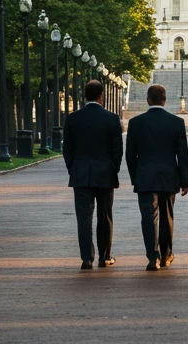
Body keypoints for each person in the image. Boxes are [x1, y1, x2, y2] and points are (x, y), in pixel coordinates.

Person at [125, 84, 188, 271]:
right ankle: (166, 255)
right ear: (165, 100)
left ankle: (152, 257)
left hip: (144, 176)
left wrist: (135, 176)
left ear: (148, 100)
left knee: (148, 217)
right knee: (167, 216)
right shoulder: (176, 122)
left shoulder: (136, 123)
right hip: (169, 176)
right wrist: (184, 181)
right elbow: (182, 155)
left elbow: (130, 155)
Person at [62, 79, 123, 270]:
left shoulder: (73, 118)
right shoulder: (112, 118)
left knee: (84, 218)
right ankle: (105, 257)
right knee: (105, 217)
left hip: (80, 173)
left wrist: (73, 168)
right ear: (101, 96)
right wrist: (114, 168)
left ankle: (87, 257)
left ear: (85, 96)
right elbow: (117, 149)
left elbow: (68, 149)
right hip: (105, 173)